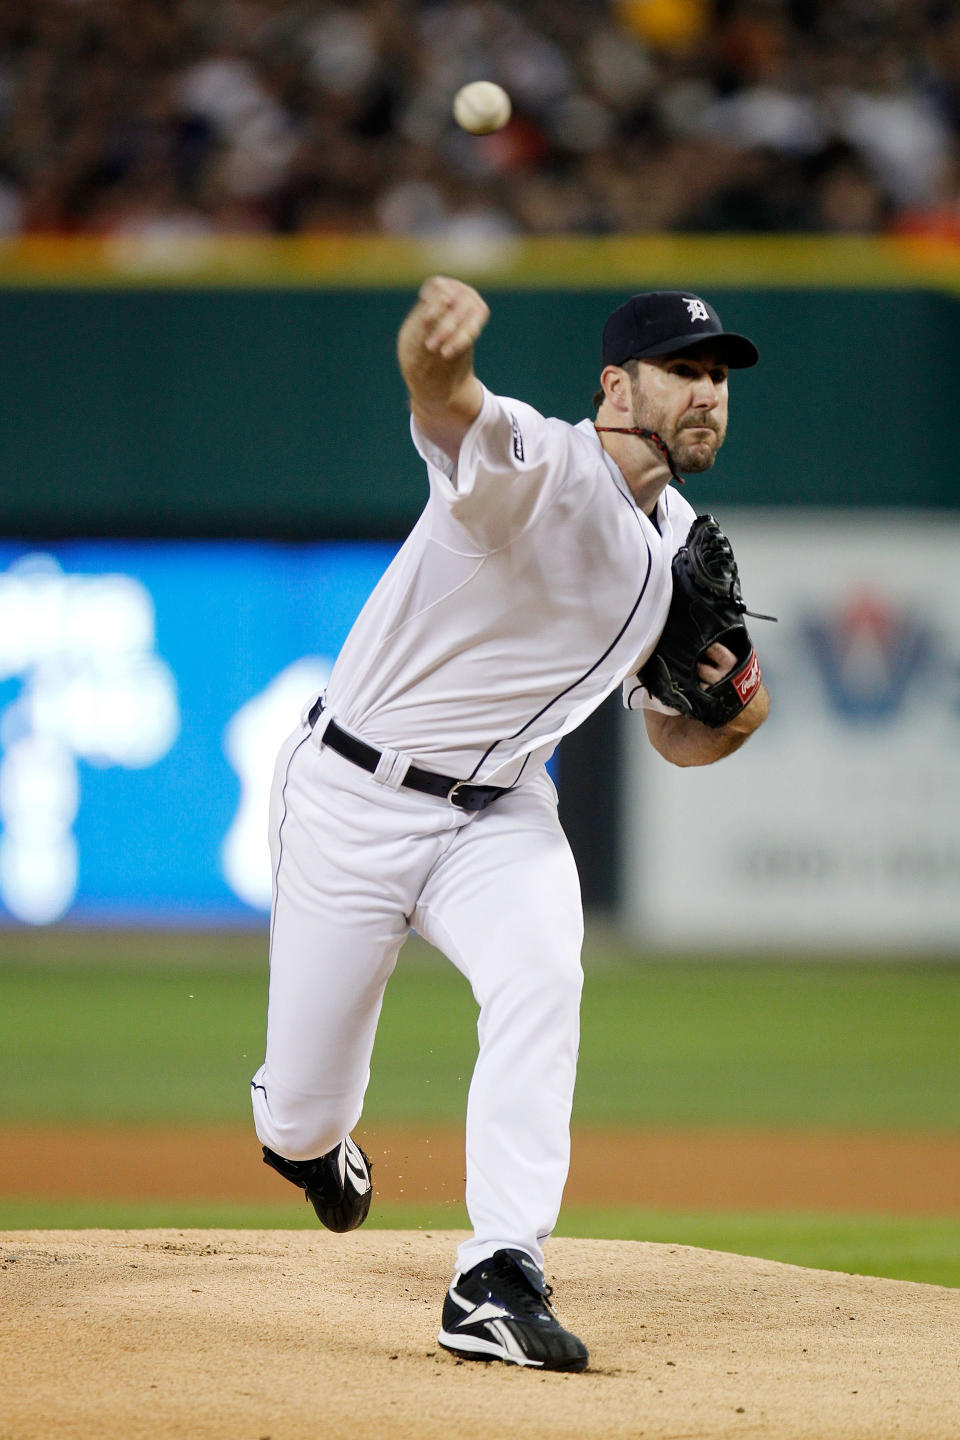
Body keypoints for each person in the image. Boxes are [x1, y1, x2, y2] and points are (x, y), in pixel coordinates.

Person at [251, 275, 769, 1372]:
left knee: (544, 974)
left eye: (720, 378)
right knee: (301, 1114)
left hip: (501, 814)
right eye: (686, 371)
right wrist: (431, 353)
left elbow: (674, 739)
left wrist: (732, 720)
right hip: (353, 796)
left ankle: (498, 1271)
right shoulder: (533, 461)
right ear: (616, 385)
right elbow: (448, 406)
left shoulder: (679, 549)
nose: (708, 396)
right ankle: (305, 1140)